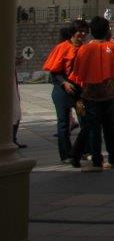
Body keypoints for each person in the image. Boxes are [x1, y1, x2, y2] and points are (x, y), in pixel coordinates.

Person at [70, 16, 114, 171]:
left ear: (91, 31)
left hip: (91, 93)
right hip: (110, 92)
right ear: (107, 30)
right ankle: (112, 159)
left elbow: (78, 71)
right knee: (109, 126)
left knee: (93, 127)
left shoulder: (85, 49)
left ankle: (96, 161)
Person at [42, 21, 88, 162]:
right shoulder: (61, 48)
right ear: (73, 32)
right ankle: (66, 154)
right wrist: (64, 83)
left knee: (85, 121)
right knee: (63, 124)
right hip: (62, 91)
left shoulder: (86, 49)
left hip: (79, 92)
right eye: (80, 31)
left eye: (85, 31)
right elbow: (54, 71)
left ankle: (83, 151)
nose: (83, 34)